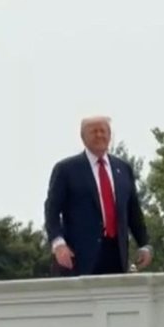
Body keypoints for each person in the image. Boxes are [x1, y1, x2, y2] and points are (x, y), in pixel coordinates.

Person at [44, 116, 152, 276]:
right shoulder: (66, 170)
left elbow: (133, 211)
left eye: (103, 131)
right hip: (78, 258)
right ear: (83, 137)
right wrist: (58, 243)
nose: (99, 135)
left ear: (109, 135)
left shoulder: (123, 168)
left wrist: (144, 244)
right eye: (93, 131)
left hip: (116, 255)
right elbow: (51, 211)